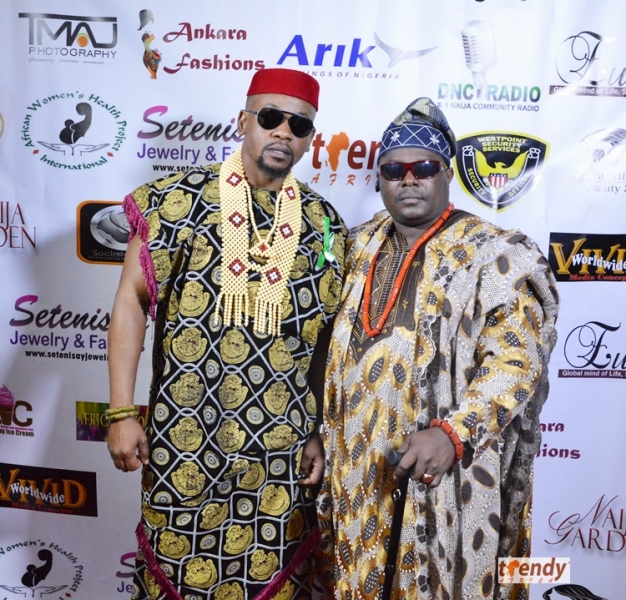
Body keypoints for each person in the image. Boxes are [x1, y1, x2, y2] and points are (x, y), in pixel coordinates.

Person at [106, 68, 346, 600]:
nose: (283, 131)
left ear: (310, 139)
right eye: (271, 117)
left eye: (300, 125)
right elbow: (130, 302)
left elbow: (322, 343)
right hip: (185, 443)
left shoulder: (323, 224)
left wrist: (316, 431)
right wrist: (121, 412)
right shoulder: (176, 201)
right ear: (243, 120)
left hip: (279, 457)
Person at [316, 98, 559, 600]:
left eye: (423, 168)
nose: (409, 179)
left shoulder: (496, 253)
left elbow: (516, 361)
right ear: (380, 180)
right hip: (358, 474)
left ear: (447, 174)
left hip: (445, 474)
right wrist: (319, 432)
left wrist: (453, 434)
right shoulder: (355, 247)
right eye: (394, 170)